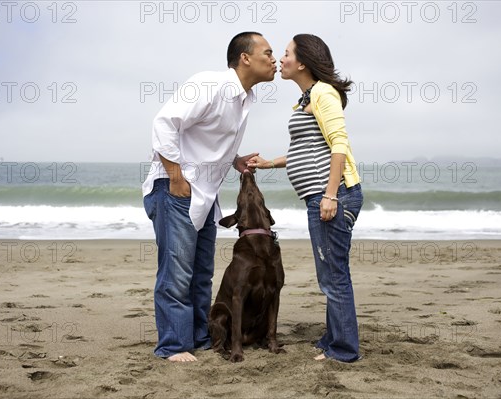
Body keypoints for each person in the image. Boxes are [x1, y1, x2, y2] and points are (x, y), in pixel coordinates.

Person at [142, 32, 276, 362]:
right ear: (245, 58)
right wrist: (176, 177)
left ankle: (199, 338)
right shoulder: (210, 85)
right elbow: (164, 124)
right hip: (175, 189)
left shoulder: (245, 99)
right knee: (176, 274)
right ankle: (173, 346)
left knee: (202, 274)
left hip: (205, 195)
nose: (274, 60)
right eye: (268, 53)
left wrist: (236, 160)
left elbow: (207, 141)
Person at [248, 34, 363, 362]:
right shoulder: (305, 99)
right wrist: (269, 162)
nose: (280, 60)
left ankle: (343, 350)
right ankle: (333, 338)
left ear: (302, 62)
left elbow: (339, 145)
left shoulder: (324, 94)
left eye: (285, 54)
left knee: (333, 274)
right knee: (330, 272)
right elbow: (306, 149)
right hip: (322, 197)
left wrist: (330, 196)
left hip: (332, 197)